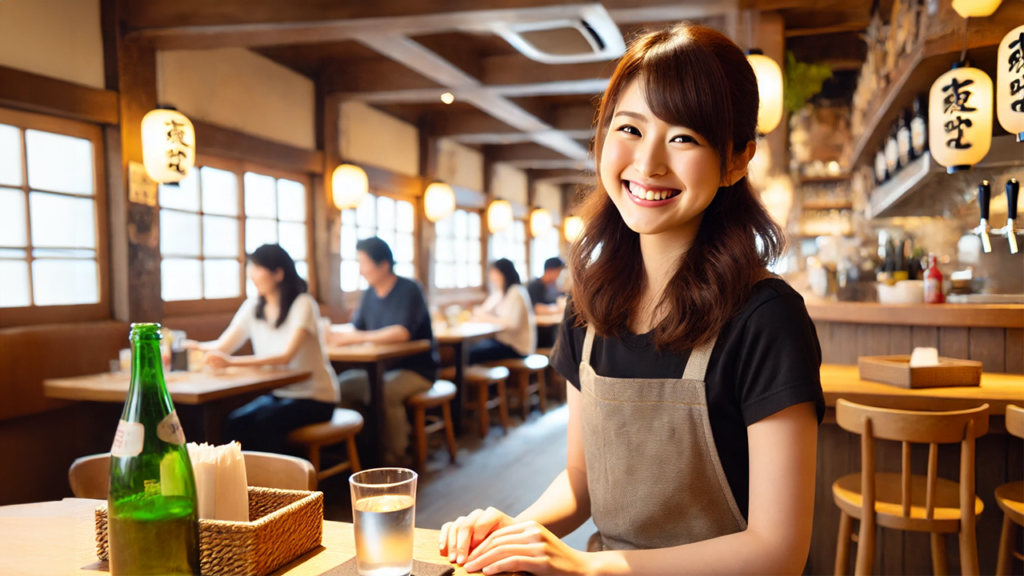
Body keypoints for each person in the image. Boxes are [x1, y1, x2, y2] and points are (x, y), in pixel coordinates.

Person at [439, 23, 824, 576]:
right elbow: (581, 481)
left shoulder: (767, 318)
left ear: (737, 160)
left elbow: (777, 551)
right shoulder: (588, 305)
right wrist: (515, 531)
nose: (648, 164)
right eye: (630, 128)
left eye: (684, 137)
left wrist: (592, 568)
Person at [185, 244, 339, 454]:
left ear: (278, 273)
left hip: (316, 398)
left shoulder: (303, 304)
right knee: (234, 422)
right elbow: (223, 347)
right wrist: (194, 348)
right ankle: (243, 485)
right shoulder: (253, 306)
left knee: (264, 425)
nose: (251, 274)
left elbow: (285, 357)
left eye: (257, 267)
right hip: (280, 393)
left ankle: (278, 484)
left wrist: (231, 362)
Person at [326, 237, 438, 465]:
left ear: (384, 264)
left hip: (417, 370)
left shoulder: (409, 289)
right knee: (340, 386)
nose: (361, 270)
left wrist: (355, 337)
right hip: (380, 370)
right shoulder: (369, 294)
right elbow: (357, 328)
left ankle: (396, 457)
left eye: (364, 263)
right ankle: (363, 451)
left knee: (386, 392)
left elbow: (402, 332)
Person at [467, 258, 536, 364]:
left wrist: (486, 318)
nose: (492, 278)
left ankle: (484, 380)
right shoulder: (502, 292)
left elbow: (512, 324)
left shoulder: (516, 291)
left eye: (494, 273)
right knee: (471, 348)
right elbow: (483, 311)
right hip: (504, 343)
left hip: (517, 347)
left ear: (503, 274)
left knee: (472, 352)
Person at [527, 257, 566, 348]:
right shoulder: (534, 285)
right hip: (538, 332)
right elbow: (536, 309)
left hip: (551, 327)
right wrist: (557, 309)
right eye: (558, 272)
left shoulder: (553, 287)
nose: (558, 275)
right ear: (549, 270)